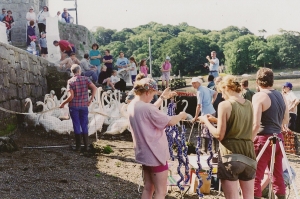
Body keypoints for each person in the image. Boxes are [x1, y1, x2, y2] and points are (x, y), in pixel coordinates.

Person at [199, 75, 257, 199]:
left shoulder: (224, 105)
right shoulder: (249, 104)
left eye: (221, 92)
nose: (221, 95)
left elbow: (219, 135)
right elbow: (241, 123)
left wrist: (206, 121)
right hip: (249, 155)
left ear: (226, 88)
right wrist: (216, 120)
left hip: (230, 155)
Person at [128, 78, 187, 199]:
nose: (153, 97)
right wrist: (181, 115)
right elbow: (170, 121)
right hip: (155, 154)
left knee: (148, 187)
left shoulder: (133, 105)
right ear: (147, 92)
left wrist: (162, 98)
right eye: (154, 94)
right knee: (161, 191)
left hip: (144, 154)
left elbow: (149, 111)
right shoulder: (147, 108)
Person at [252, 68, 289, 199]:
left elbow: (255, 124)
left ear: (257, 81)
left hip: (263, 139)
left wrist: (248, 140)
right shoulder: (281, 95)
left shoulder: (259, 96)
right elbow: (286, 120)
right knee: (277, 174)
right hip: (278, 138)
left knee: (255, 174)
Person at [59, 64, 97, 152]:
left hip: (74, 106)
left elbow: (71, 96)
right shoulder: (86, 79)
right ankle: (86, 146)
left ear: (72, 72)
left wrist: (63, 103)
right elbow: (94, 88)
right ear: (79, 71)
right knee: (84, 124)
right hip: (84, 106)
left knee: (76, 125)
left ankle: (78, 147)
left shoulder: (70, 81)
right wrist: (91, 99)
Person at [191, 77, 218, 154]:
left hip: (206, 113)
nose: (193, 85)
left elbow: (198, 106)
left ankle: (204, 149)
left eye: (194, 83)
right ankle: (214, 149)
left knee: (205, 131)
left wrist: (195, 117)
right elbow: (215, 93)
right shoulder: (205, 88)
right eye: (192, 83)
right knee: (212, 129)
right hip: (212, 111)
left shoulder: (199, 91)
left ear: (198, 82)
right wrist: (211, 102)